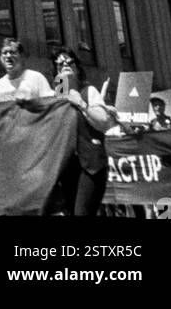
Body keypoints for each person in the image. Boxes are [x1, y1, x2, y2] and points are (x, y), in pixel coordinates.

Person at [52, 47, 112, 217]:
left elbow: (104, 122)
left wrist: (81, 104)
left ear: (77, 67)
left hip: (91, 166)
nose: (65, 65)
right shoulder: (56, 97)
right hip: (67, 167)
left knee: (82, 212)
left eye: (69, 62)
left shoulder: (88, 92)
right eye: (60, 64)